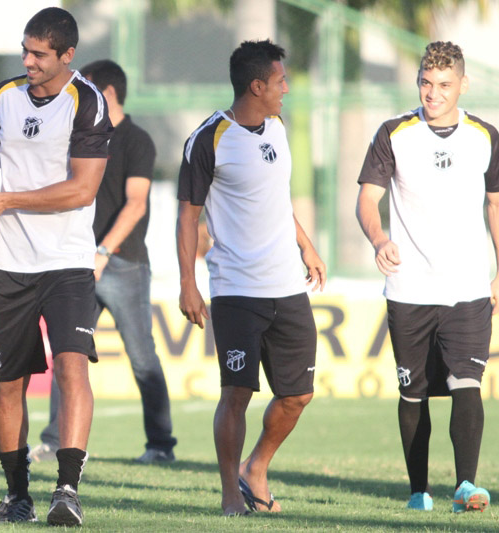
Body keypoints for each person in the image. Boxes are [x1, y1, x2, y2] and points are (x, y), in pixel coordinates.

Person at [0, 7, 113, 526]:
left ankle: (68, 491)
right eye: (25, 50)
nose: (27, 60)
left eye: (39, 54)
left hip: (67, 261)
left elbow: (83, 188)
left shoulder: (88, 102)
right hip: (8, 262)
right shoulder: (6, 94)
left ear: (67, 56)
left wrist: (5, 201)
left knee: (72, 367)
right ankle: (17, 496)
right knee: (9, 382)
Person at [176, 40, 325, 516]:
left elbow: (276, 200)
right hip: (237, 289)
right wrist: (187, 284)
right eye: (280, 81)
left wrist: (306, 244)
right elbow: (186, 218)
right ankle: (228, 495)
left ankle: (255, 467)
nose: (285, 89)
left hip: (288, 285)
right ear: (257, 85)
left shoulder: (278, 127)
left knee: (298, 394)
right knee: (236, 393)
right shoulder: (208, 139)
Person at [355, 41, 496, 513]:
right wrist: (378, 240)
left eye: (443, 85)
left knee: (466, 383)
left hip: (469, 287)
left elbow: (496, 205)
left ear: (462, 85)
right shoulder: (394, 133)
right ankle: (419, 491)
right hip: (409, 287)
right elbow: (366, 200)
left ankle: (466, 485)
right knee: (412, 392)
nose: (432, 93)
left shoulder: (485, 137)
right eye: (425, 83)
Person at [29, 59, 177, 465]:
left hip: (123, 264)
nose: (76, 96)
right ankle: (57, 441)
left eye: (85, 87)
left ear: (107, 93)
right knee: (67, 353)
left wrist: (103, 252)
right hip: (75, 264)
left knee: (142, 356)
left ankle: (161, 445)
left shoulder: (136, 140)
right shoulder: (78, 135)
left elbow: (135, 205)